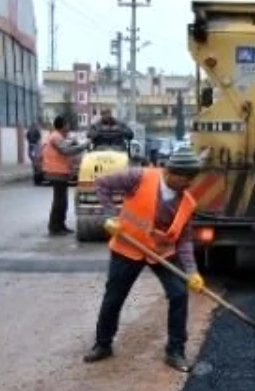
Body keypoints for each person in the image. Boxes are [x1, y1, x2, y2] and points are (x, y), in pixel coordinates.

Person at [83, 147, 207, 372]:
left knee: (179, 293)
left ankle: (175, 351)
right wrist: (110, 215)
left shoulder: (187, 203)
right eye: (186, 179)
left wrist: (192, 271)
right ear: (172, 172)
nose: (189, 184)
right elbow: (102, 183)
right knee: (114, 296)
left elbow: (185, 241)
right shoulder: (139, 177)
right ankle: (103, 344)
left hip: (161, 253)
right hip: (128, 247)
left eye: (192, 179)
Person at [42, 115, 89, 236]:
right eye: (67, 124)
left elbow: (67, 146)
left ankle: (60, 225)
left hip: (60, 172)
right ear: (62, 125)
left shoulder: (59, 136)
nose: (69, 126)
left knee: (62, 201)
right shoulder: (56, 137)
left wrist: (73, 143)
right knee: (59, 201)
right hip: (56, 172)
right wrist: (83, 146)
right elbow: (66, 151)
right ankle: (54, 227)